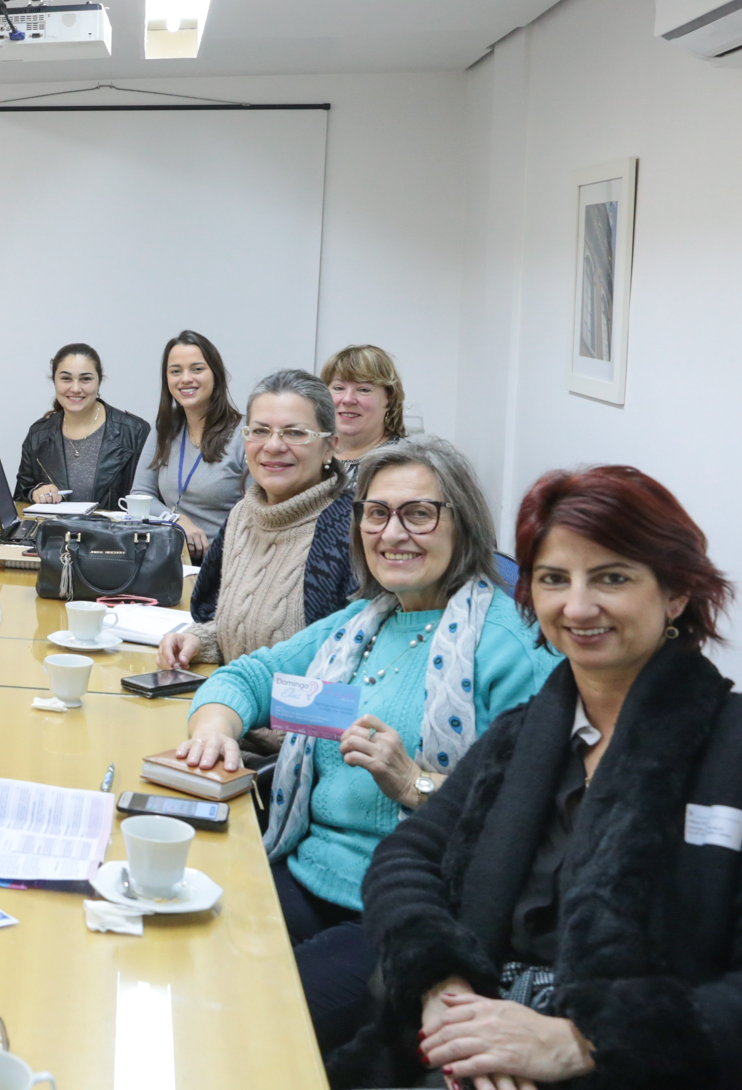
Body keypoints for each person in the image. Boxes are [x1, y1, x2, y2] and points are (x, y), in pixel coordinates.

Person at [335, 466, 742, 1090]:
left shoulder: (730, 748)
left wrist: (583, 1041)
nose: (577, 607)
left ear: (676, 595)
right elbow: (406, 856)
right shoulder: (524, 734)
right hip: (467, 1040)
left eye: (612, 577)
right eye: (554, 579)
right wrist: (441, 985)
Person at [172, 437, 554, 1056]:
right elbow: (245, 677)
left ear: (463, 523)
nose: (392, 533)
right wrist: (216, 730)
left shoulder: (509, 645)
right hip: (306, 871)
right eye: (376, 513)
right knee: (179, 950)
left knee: (246, 1016)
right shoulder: (362, 623)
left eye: (419, 513)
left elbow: (528, 830)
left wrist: (417, 785)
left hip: (414, 911)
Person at [157, 370, 360, 673]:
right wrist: (199, 640)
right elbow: (240, 629)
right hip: (229, 705)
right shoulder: (243, 515)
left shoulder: (353, 530)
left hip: (293, 719)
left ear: (330, 446)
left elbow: (352, 662)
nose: (273, 446)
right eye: (260, 431)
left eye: (295, 433)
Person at [130, 330, 248, 560]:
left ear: (216, 375)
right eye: (176, 371)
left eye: (197, 369)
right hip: (170, 559)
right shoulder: (164, 428)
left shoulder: (245, 434)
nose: (185, 379)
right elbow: (141, 494)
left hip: (224, 564)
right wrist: (175, 519)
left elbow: (258, 513)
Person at [14, 342, 150, 510]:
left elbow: (150, 500)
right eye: (66, 379)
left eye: (85, 379)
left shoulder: (134, 432)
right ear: (54, 381)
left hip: (113, 535)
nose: (76, 388)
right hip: (54, 534)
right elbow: (20, 497)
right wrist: (35, 492)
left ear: (99, 382)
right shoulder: (38, 434)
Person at [321, 343, 408, 481]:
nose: (348, 399)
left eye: (363, 389)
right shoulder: (306, 454)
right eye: (338, 388)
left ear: (389, 398)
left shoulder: (409, 463)